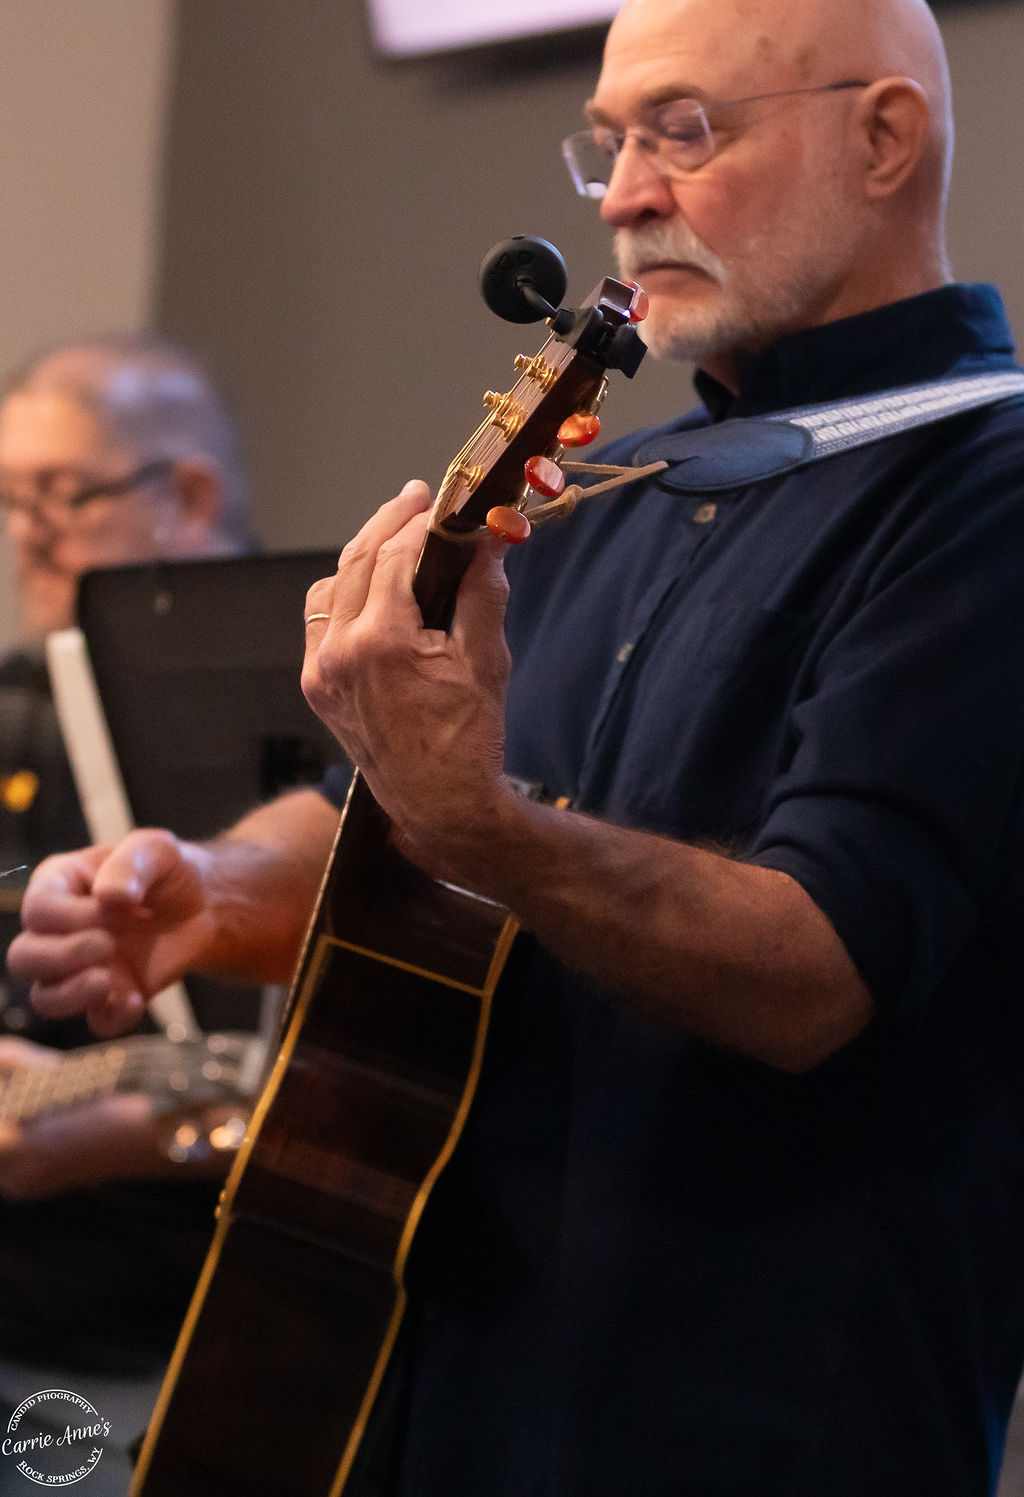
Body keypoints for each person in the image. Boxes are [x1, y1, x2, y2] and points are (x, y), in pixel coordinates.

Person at [11, 0, 1024, 1492]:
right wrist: (208, 886)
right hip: (443, 1370)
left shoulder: (984, 493)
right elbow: (392, 818)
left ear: (883, 139)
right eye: (609, 141)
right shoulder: (614, 479)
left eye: (685, 129)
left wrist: (476, 824)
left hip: (756, 1413)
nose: (622, 193)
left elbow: (816, 971)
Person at [0, 334, 256, 1494]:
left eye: (58, 495)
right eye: (8, 501)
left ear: (188, 496)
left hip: (181, 1349)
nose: (24, 536)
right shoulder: (14, 712)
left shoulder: (307, 708)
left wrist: (137, 1136)